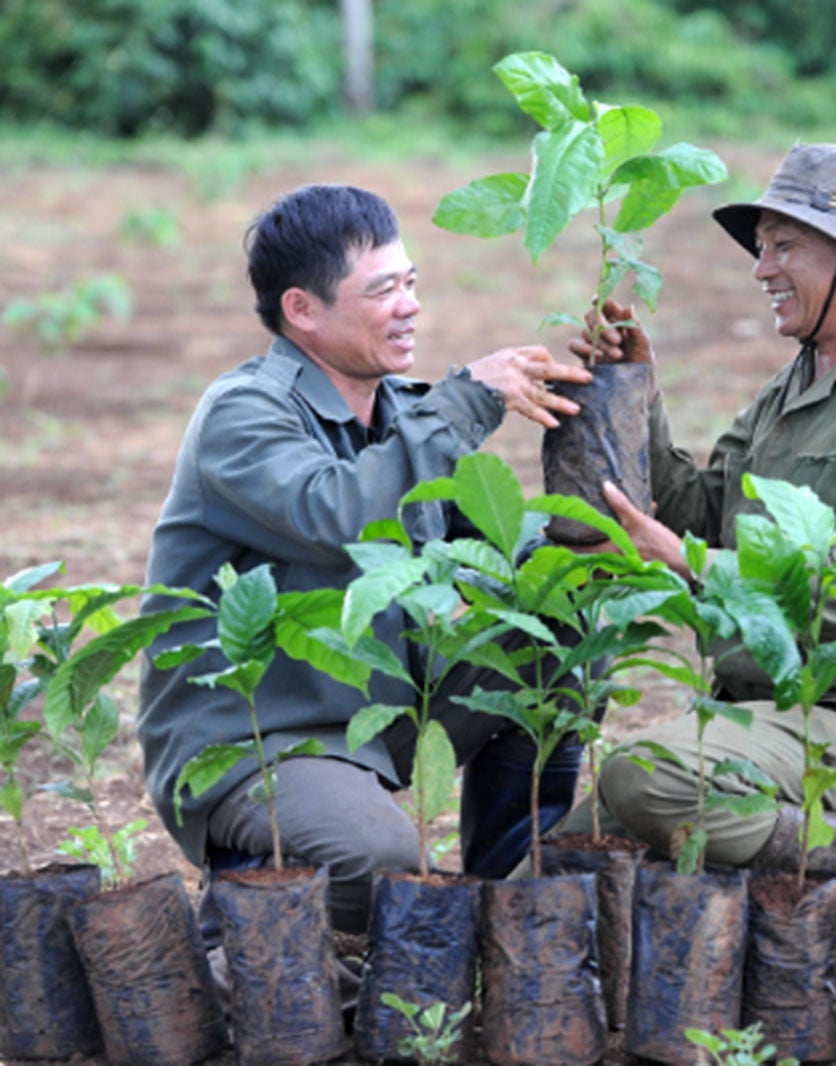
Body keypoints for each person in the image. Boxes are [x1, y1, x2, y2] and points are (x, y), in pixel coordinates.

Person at [136, 182, 595, 939]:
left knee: (552, 627)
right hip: (259, 737)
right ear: (302, 310)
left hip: (371, 720)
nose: (409, 305)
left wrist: (588, 544)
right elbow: (337, 514)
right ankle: (246, 901)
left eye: (410, 282)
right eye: (382, 290)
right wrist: (468, 400)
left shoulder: (406, 413)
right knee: (380, 862)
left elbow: (506, 563)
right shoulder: (243, 412)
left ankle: (507, 898)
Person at [558, 143, 836, 904]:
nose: (762, 269)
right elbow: (703, 510)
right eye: (761, 247)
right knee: (563, 853)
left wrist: (692, 562)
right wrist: (636, 393)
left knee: (646, 778)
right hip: (765, 718)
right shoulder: (795, 382)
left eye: (784, 246)